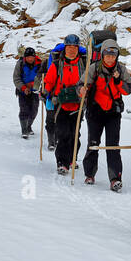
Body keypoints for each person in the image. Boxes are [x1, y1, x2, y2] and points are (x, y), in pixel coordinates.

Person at [79, 40, 131, 190]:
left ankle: (115, 178)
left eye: (113, 55)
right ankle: (89, 174)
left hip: (113, 113)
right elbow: (81, 84)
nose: (110, 59)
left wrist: (118, 81)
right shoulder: (94, 68)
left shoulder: (121, 69)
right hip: (95, 111)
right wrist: (82, 90)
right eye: (107, 55)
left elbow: (129, 90)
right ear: (102, 55)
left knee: (113, 145)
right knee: (93, 144)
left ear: (117, 56)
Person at [44, 33, 88, 174]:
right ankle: (62, 163)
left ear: (78, 48)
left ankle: (72, 159)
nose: (72, 50)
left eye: (74, 47)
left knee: (75, 134)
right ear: (65, 48)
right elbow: (49, 81)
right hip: (61, 104)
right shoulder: (57, 64)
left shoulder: (84, 64)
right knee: (63, 134)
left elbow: (89, 81)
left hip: (78, 104)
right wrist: (45, 92)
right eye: (69, 47)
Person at [11, 47, 43, 138]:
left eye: (32, 57)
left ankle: (29, 126)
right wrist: (24, 88)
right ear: (25, 57)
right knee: (24, 110)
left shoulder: (40, 64)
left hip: (35, 90)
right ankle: (24, 129)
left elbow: (42, 77)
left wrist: (35, 85)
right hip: (22, 90)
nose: (30, 59)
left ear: (34, 56)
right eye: (28, 57)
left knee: (34, 111)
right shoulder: (20, 64)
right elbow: (16, 78)